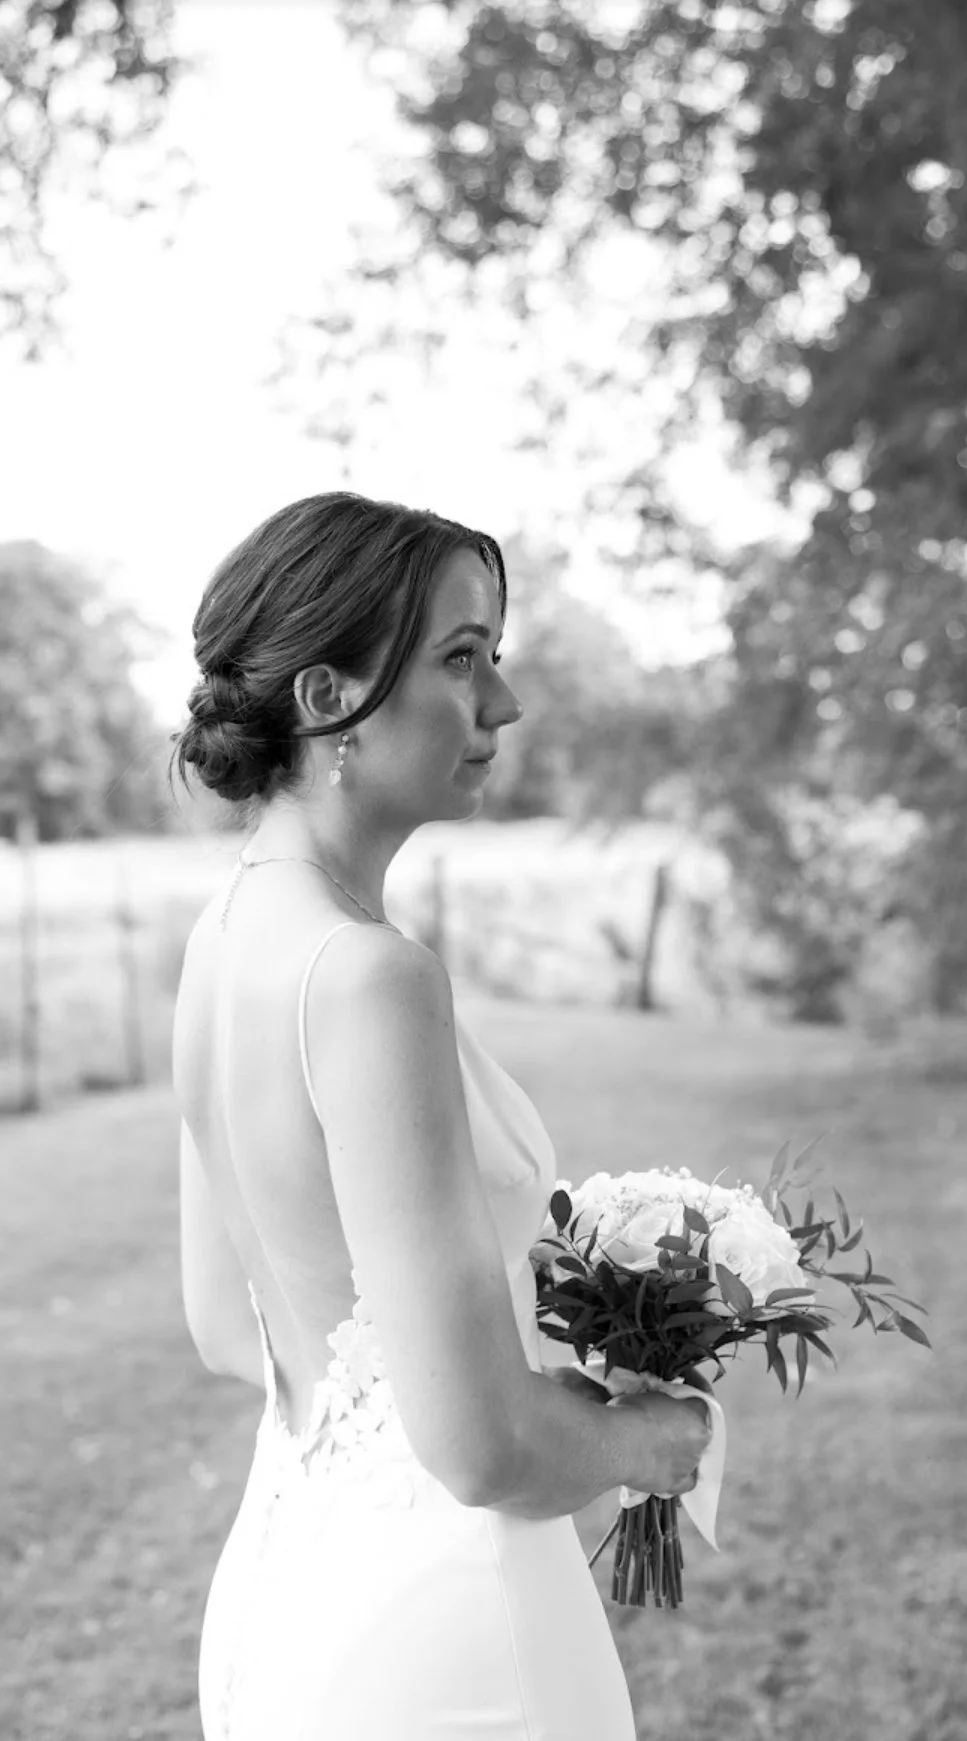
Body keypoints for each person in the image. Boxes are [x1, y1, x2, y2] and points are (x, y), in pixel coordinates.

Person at [169, 491, 712, 1740]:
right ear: (326, 701)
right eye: (462, 661)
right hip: (446, 1631)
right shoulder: (370, 978)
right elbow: (480, 1451)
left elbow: (222, 1324)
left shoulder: (226, 936)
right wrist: (655, 1438)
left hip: (289, 1596)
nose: (503, 706)